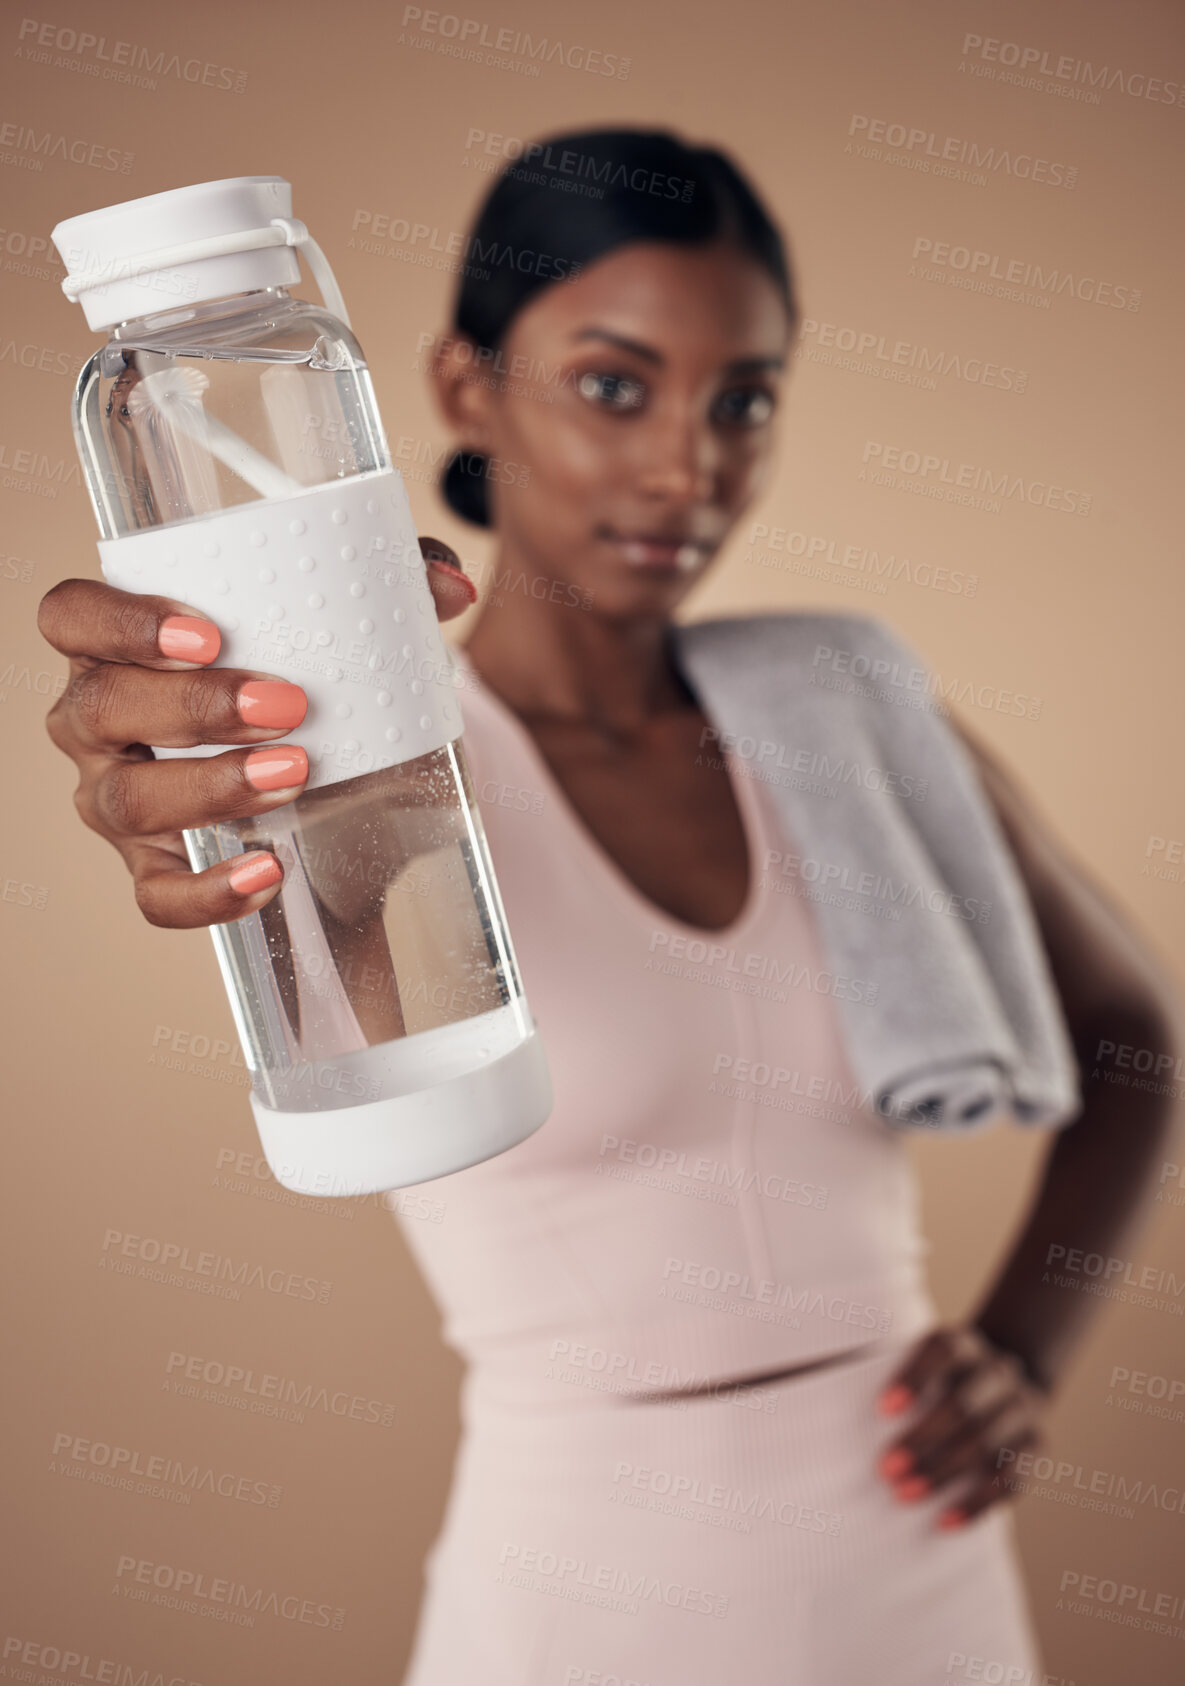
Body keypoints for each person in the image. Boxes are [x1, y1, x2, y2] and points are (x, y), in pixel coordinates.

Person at [37, 129, 1181, 1683]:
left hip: (921, 1584)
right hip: (584, 1599)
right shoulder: (383, 775)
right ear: (459, 384)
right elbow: (263, 874)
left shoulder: (845, 709)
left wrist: (1023, 1356)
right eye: (615, 383)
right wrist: (181, 758)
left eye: (743, 400)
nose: (682, 468)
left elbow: (1135, 1038)